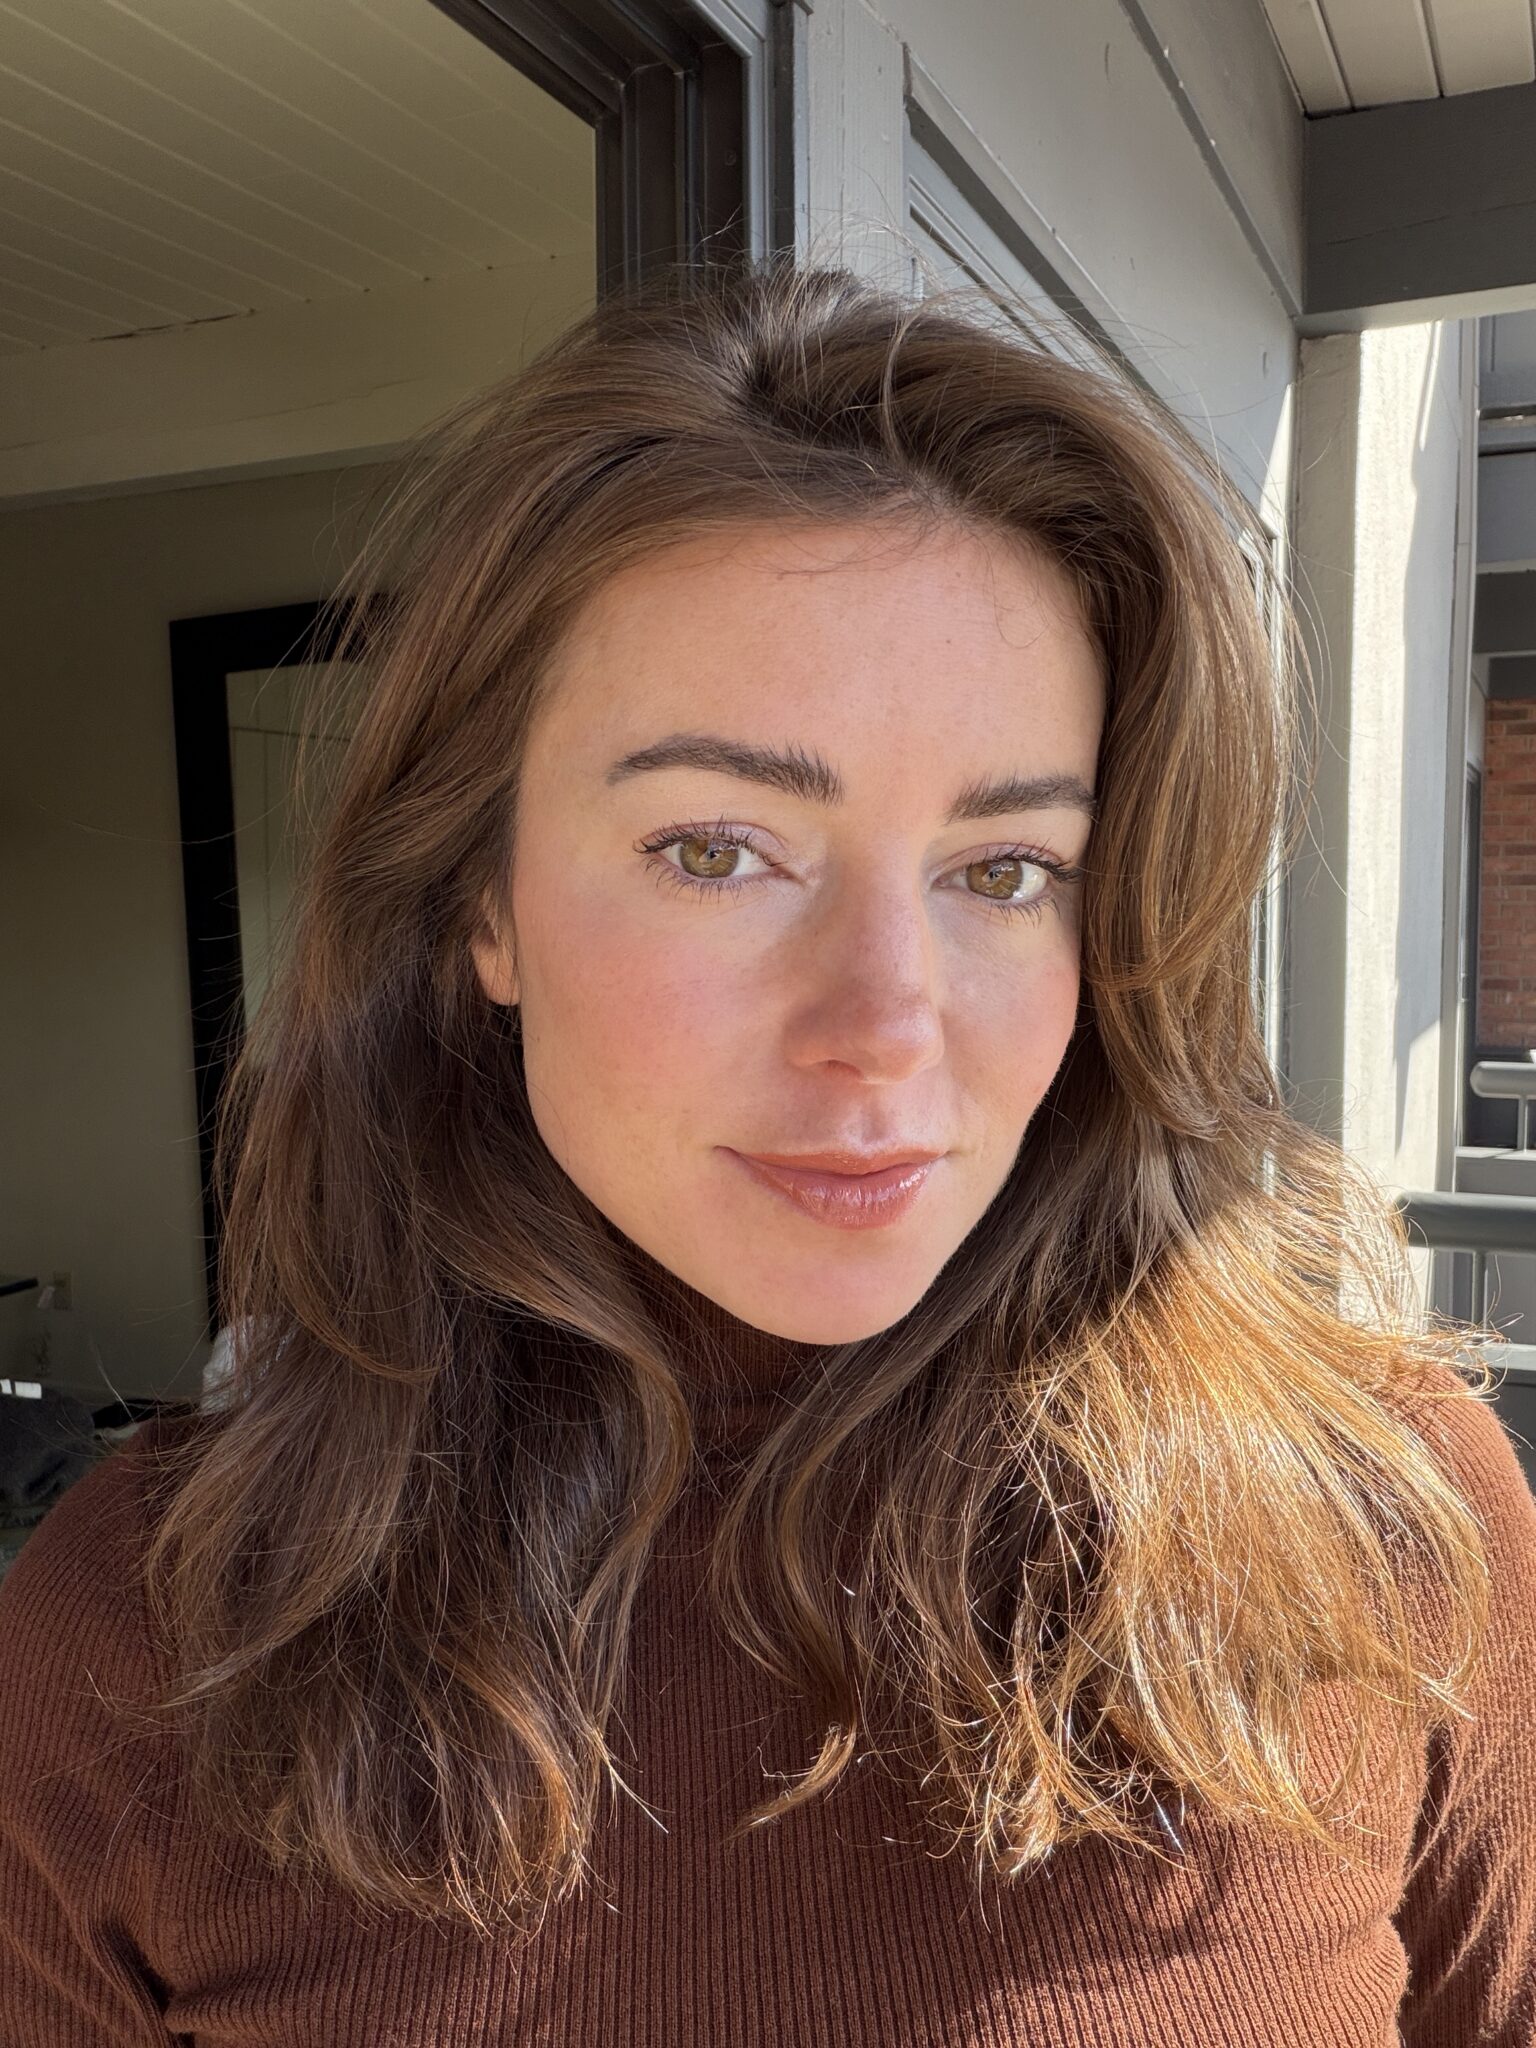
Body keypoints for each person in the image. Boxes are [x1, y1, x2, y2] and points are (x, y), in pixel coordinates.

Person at [1, 258, 1532, 2046]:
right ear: (482, 901)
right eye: (718, 850)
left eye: (1004, 869)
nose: (887, 1022)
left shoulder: (1377, 1521)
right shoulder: (155, 1628)